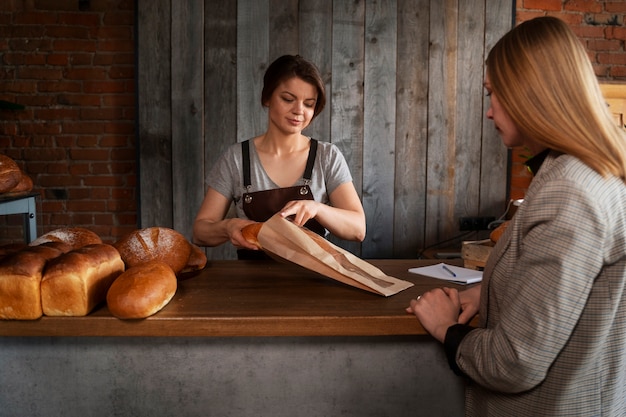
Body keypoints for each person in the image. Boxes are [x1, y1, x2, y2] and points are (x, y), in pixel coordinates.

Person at [406, 16, 626, 416]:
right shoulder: (595, 169)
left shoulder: (569, 192)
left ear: (531, 93)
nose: (489, 113)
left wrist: (445, 328)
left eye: (494, 94)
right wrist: (492, 296)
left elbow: (514, 362)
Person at [193, 54, 366, 258]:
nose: (299, 111)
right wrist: (228, 226)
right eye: (288, 99)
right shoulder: (236, 159)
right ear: (267, 97)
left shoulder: (327, 157)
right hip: (251, 283)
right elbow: (200, 232)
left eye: (309, 104)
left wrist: (317, 209)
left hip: (313, 283)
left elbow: (358, 229)